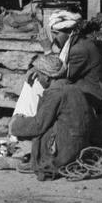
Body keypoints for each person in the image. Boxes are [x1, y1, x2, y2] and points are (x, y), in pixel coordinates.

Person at [8, 53, 92, 181]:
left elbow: (38, 125)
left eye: (39, 76)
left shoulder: (55, 93)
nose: (37, 79)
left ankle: (40, 161)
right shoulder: (75, 89)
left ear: (47, 78)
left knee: (35, 128)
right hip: (80, 147)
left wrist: (15, 124)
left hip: (64, 151)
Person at [42, 9, 102, 110]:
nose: (53, 37)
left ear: (69, 32)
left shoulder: (79, 50)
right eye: (53, 33)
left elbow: (58, 75)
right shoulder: (74, 44)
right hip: (82, 89)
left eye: (56, 33)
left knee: (50, 89)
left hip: (94, 97)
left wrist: (47, 50)